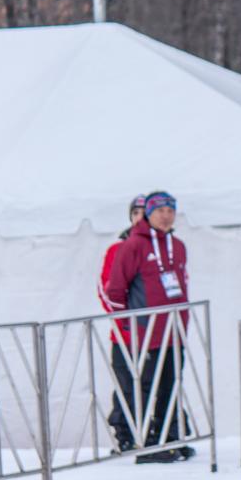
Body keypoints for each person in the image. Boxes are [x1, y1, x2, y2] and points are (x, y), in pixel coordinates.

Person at [105, 191, 194, 464]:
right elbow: (114, 289)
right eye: (160, 210)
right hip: (145, 333)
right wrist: (127, 325)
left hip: (174, 331)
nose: (166, 215)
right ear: (148, 214)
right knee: (142, 386)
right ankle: (140, 441)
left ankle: (168, 437)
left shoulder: (177, 245)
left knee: (171, 383)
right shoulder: (131, 246)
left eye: (171, 209)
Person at [98, 194, 147, 452]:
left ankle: (158, 431)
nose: (141, 217)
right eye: (136, 213)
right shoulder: (117, 250)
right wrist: (125, 321)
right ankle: (125, 433)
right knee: (126, 385)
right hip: (127, 334)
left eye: (144, 212)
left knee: (158, 383)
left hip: (157, 333)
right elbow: (107, 289)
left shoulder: (161, 248)